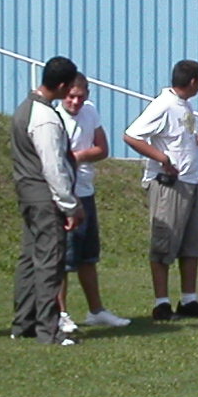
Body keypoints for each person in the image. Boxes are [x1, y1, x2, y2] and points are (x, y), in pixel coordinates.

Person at [123, 59, 198, 320]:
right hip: (169, 185)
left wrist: (197, 139)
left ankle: (189, 299)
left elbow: (177, 137)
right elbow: (132, 135)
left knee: (191, 244)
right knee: (164, 244)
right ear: (194, 81)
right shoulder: (163, 104)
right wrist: (162, 158)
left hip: (190, 181)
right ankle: (161, 303)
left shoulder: (184, 105)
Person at [10, 56, 80, 345]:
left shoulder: (24, 109)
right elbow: (53, 167)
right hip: (44, 198)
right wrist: (69, 205)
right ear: (62, 85)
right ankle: (48, 329)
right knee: (49, 262)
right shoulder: (46, 118)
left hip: (26, 193)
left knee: (29, 259)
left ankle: (23, 322)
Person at [60, 75, 129, 329]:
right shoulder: (56, 117)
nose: (75, 102)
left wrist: (78, 156)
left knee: (88, 257)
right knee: (63, 258)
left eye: (80, 96)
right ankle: (60, 314)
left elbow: (102, 149)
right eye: (71, 96)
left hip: (86, 190)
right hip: (66, 192)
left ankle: (96, 310)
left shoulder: (90, 112)